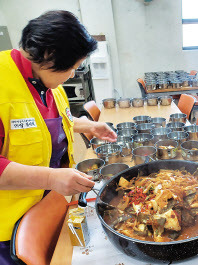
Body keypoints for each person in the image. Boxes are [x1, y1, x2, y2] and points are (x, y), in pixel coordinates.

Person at [0, 10, 117, 264]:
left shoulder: (45, 79)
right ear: (48, 56)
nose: (73, 74)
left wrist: (85, 126)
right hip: (11, 227)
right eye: (73, 67)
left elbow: (39, 125)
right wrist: (52, 177)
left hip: (52, 204)